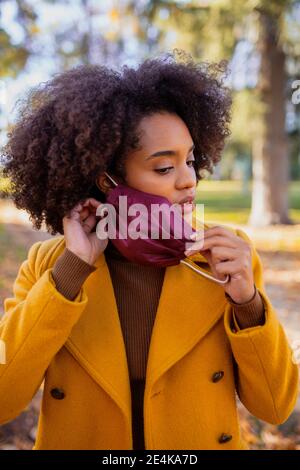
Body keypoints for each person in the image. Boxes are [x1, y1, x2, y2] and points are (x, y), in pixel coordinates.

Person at [0, 50, 298, 450]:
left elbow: (276, 407)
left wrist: (247, 301)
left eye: (190, 160)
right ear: (107, 180)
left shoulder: (226, 259)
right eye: (164, 167)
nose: (188, 181)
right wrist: (71, 271)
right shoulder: (50, 266)